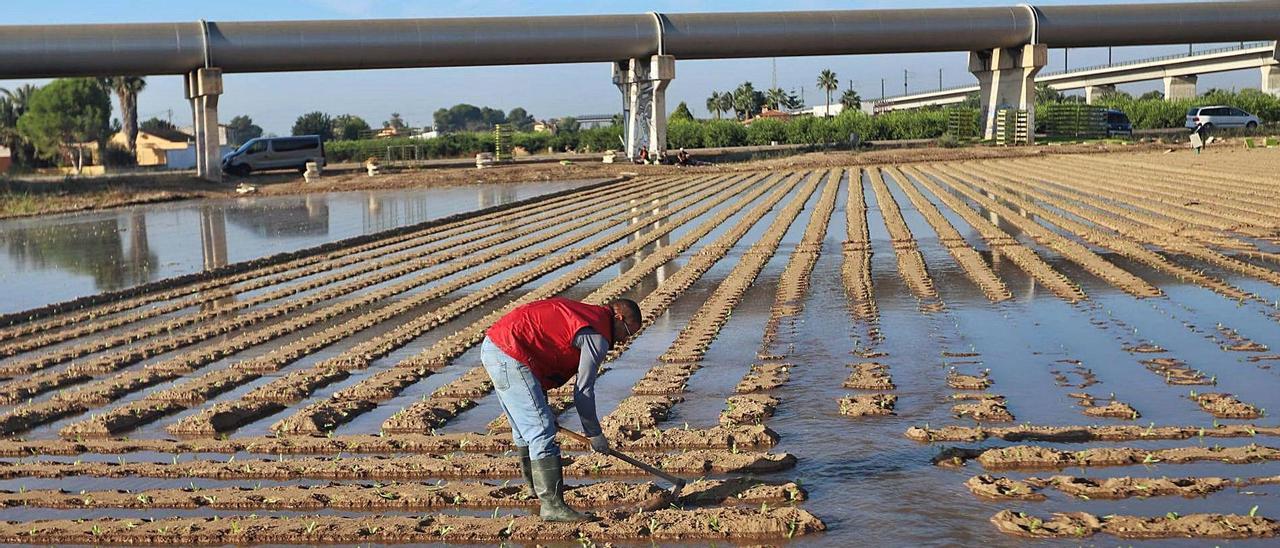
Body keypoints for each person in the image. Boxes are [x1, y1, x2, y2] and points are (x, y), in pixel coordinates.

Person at [481, 296, 643, 522]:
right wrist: (594, 434)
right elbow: (583, 391)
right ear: (618, 317)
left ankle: (534, 490)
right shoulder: (597, 335)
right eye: (628, 332)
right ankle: (552, 505)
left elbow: (542, 346)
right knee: (541, 430)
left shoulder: (588, 317)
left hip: (497, 346)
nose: (625, 340)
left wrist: (543, 406)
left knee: (526, 429)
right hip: (510, 351)